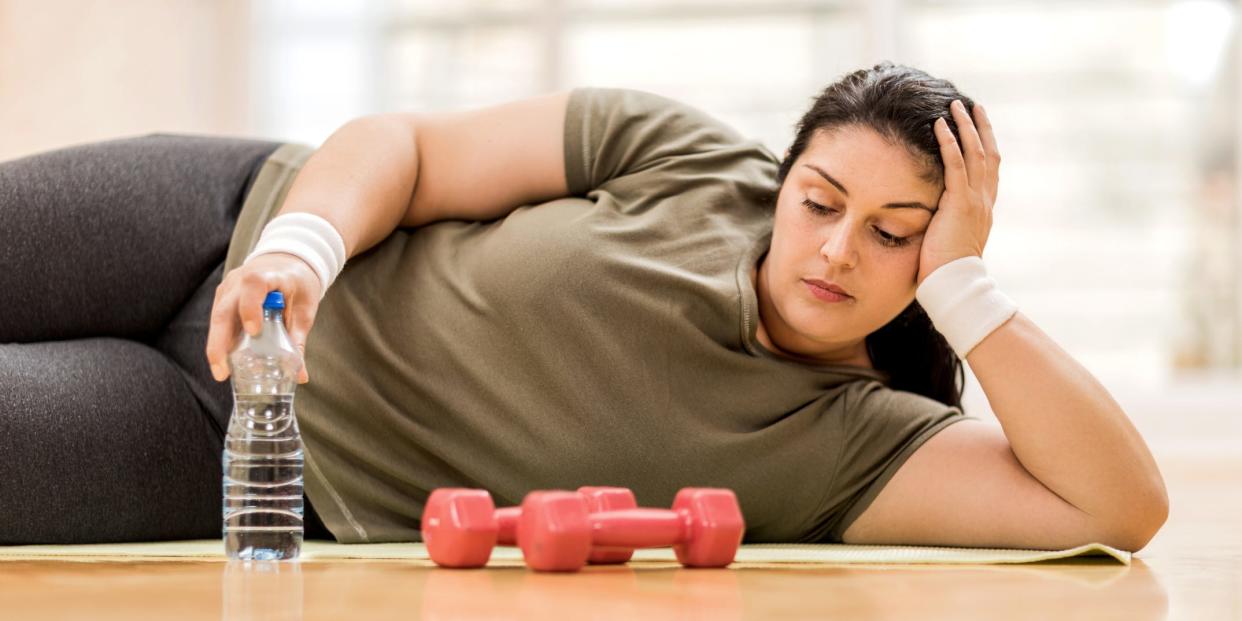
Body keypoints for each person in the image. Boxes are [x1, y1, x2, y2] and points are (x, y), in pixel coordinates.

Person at [0, 63, 1168, 551]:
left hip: (244, 450)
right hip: (230, 217)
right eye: (819, 201)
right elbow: (404, 146)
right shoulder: (688, 162)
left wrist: (966, 286)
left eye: (896, 235)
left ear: (936, 260)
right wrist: (305, 247)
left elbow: (1119, 505)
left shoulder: (856, 444)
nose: (835, 249)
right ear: (782, 177)